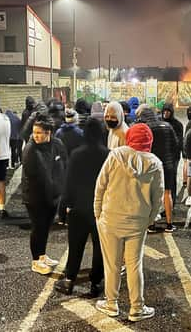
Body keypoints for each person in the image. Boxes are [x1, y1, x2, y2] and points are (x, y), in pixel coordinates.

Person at [93, 123, 163, 322]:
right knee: (134, 265)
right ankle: (137, 308)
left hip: (110, 219)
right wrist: (149, 220)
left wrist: (97, 211)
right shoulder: (155, 163)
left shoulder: (116, 155)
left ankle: (111, 303)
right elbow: (157, 197)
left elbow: (100, 185)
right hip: (137, 222)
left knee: (112, 265)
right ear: (149, 141)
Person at [55, 118, 109, 296]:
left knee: (75, 246)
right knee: (99, 247)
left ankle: (70, 279)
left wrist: (62, 210)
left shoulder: (77, 154)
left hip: (78, 209)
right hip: (100, 210)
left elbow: (69, 183)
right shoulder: (108, 154)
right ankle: (95, 282)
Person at [21, 117, 68, 275]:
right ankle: (36, 260)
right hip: (36, 197)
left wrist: (59, 190)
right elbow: (36, 178)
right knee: (38, 227)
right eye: (35, 132)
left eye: (40, 133)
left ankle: (42, 255)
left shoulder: (57, 144)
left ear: (49, 133)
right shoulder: (30, 150)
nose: (36, 136)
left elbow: (63, 165)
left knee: (45, 227)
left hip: (53, 195)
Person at [137, 107, 179, 233]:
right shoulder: (167, 125)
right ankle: (169, 224)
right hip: (167, 164)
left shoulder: (146, 128)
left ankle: (151, 224)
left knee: (150, 195)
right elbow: (175, 145)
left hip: (152, 165)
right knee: (167, 193)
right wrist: (171, 160)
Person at [161, 102, 184, 192]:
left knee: (172, 176)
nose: (166, 113)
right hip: (162, 154)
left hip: (173, 155)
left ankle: (172, 195)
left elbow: (179, 141)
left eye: (168, 111)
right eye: (164, 111)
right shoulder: (160, 122)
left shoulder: (177, 124)